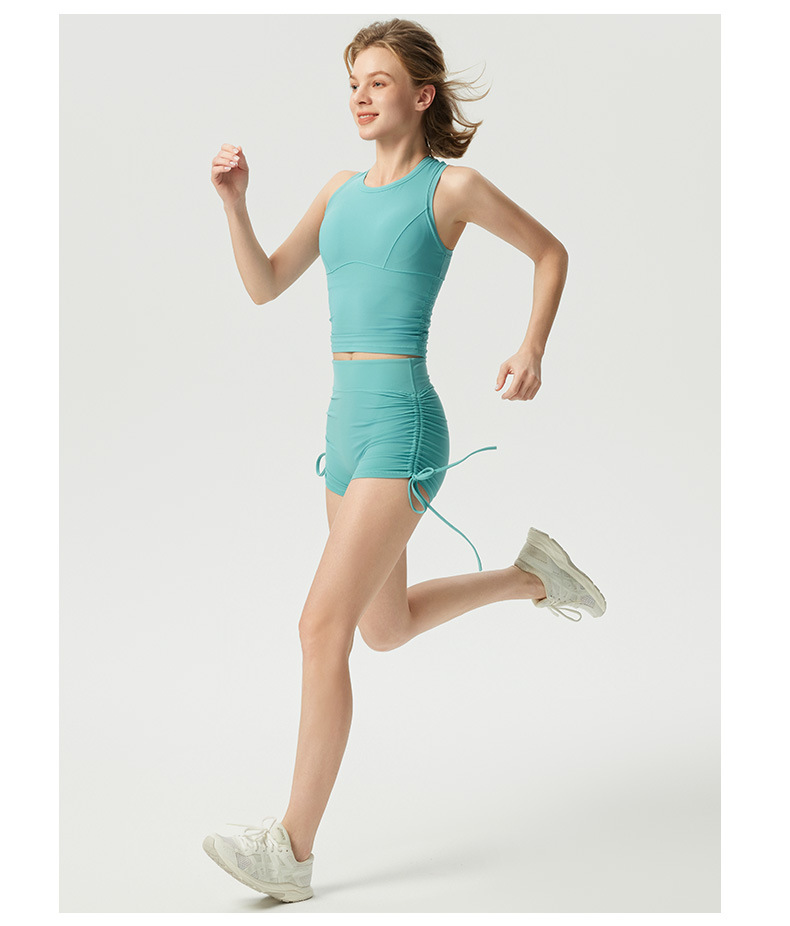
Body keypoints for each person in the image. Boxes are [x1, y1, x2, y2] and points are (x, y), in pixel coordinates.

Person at [202, 17, 606, 904]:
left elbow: (550, 252)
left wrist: (531, 347)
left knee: (320, 627)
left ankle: (292, 849)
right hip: (343, 429)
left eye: (378, 81)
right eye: (353, 82)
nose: (360, 95)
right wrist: (236, 204)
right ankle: (533, 578)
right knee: (380, 629)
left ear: (422, 96)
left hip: (403, 425)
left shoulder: (449, 187)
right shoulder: (338, 192)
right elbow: (265, 284)